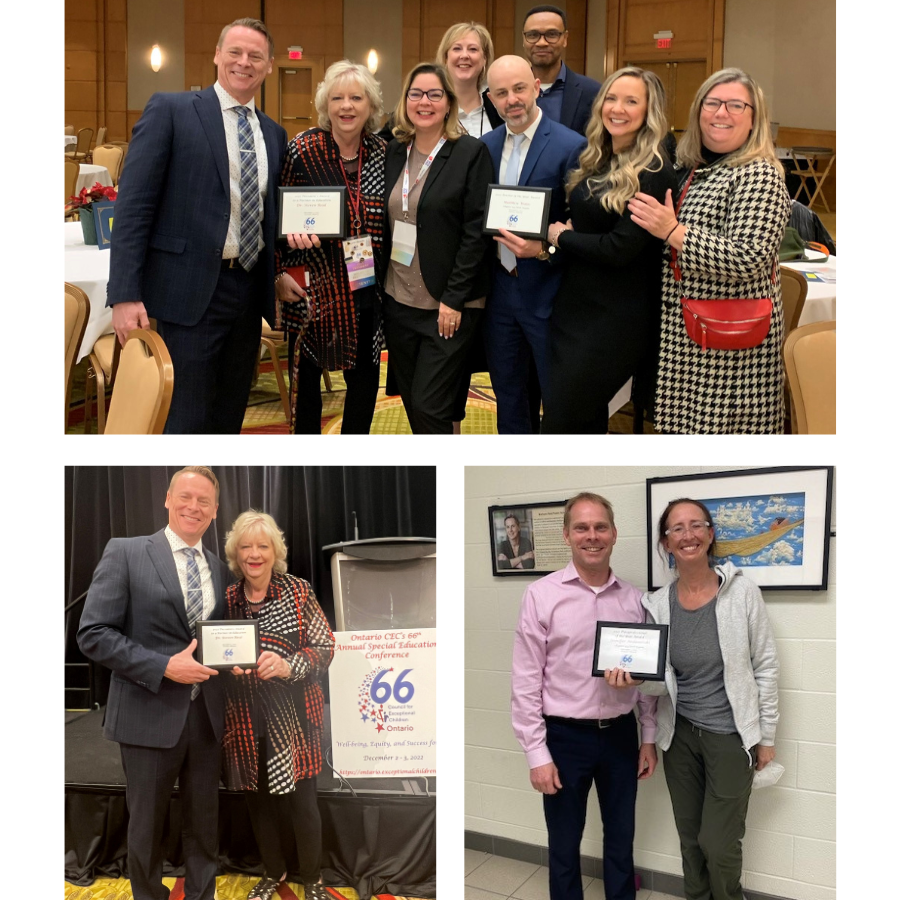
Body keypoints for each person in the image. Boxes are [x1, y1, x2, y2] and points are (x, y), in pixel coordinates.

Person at [106, 19, 287, 433]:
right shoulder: (171, 110)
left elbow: (268, 216)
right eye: (235, 52)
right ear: (217, 55)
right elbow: (134, 207)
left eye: (255, 56)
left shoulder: (274, 135)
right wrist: (125, 294)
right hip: (184, 294)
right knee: (184, 420)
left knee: (229, 416)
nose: (244, 62)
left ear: (270, 66)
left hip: (246, 296)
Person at [607, 498, 778, 900]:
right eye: (676, 529)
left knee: (718, 843)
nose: (688, 535)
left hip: (731, 739)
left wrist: (766, 736)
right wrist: (630, 682)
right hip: (679, 737)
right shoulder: (657, 604)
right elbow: (660, 682)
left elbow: (766, 667)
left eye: (696, 525)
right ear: (666, 543)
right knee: (690, 839)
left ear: (710, 533)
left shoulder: (741, 594)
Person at [77, 467, 230, 900]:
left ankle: (203, 895)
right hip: (148, 713)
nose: (193, 507)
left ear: (215, 511)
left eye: (203, 501)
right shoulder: (126, 552)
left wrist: (233, 663)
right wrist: (164, 666)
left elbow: (211, 641)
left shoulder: (219, 569)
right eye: (185, 496)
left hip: (205, 719)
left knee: (204, 823)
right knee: (145, 830)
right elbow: (93, 634)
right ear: (167, 499)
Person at [627, 68, 791, 433]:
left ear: (754, 119)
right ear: (698, 111)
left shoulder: (759, 173)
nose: (721, 113)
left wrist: (672, 231)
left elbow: (748, 257)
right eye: (712, 103)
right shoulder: (690, 167)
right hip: (684, 339)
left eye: (735, 105)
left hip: (730, 351)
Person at [511, 493, 658, 900]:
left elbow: (647, 681)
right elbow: (525, 681)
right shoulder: (541, 595)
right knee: (563, 845)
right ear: (566, 535)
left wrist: (648, 737)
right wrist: (536, 755)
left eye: (600, 527)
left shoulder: (634, 600)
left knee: (620, 840)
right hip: (563, 739)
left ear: (614, 534)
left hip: (619, 738)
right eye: (582, 528)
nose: (591, 536)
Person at [541, 67, 678, 434]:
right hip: (574, 310)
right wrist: (567, 237)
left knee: (559, 425)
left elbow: (620, 248)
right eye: (612, 98)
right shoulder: (598, 158)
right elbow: (591, 228)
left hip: (613, 322)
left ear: (649, 112)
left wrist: (560, 237)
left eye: (631, 101)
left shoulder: (654, 171)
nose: (618, 108)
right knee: (582, 421)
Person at [222, 511, 335, 900]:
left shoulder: (298, 591)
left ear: (275, 552)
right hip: (246, 717)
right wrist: (227, 667)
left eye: (262, 546)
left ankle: (313, 879)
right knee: (259, 803)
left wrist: (290, 665)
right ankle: (273, 872)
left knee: (303, 804)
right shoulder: (230, 598)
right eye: (246, 546)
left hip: (295, 718)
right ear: (237, 554)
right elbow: (218, 651)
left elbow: (324, 646)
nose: (254, 554)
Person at [381, 63, 494, 434]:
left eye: (434, 94)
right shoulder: (395, 150)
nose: (424, 102)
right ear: (405, 101)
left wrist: (454, 299)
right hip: (399, 299)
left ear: (449, 102)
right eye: (416, 94)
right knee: (415, 402)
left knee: (431, 404)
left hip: (447, 304)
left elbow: (475, 233)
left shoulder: (470, 154)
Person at [278, 60, 387, 434]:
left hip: (365, 288)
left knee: (363, 385)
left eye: (356, 98)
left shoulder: (383, 153)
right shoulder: (303, 149)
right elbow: (276, 218)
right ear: (326, 104)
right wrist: (279, 272)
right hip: (312, 289)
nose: (347, 106)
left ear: (370, 105)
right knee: (306, 390)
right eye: (338, 98)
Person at [481, 55, 585, 434]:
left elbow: (582, 227)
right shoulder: (484, 147)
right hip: (499, 290)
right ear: (491, 99)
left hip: (549, 292)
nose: (512, 99)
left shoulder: (571, 146)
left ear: (536, 88)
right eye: (502, 92)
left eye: (520, 88)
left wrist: (544, 250)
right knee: (506, 395)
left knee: (556, 398)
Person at [435, 22, 501, 432]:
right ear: (445, 56)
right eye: (456, 47)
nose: (464, 55)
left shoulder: (500, 109)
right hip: (445, 256)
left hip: (499, 253)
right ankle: (451, 435)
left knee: (499, 356)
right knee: (448, 361)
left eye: (473, 49)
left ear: (484, 58)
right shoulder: (428, 106)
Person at [522, 5, 601, 136]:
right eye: (533, 35)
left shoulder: (593, 93)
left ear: (565, 39)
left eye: (552, 34)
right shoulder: (506, 94)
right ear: (523, 40)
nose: (542, 43)